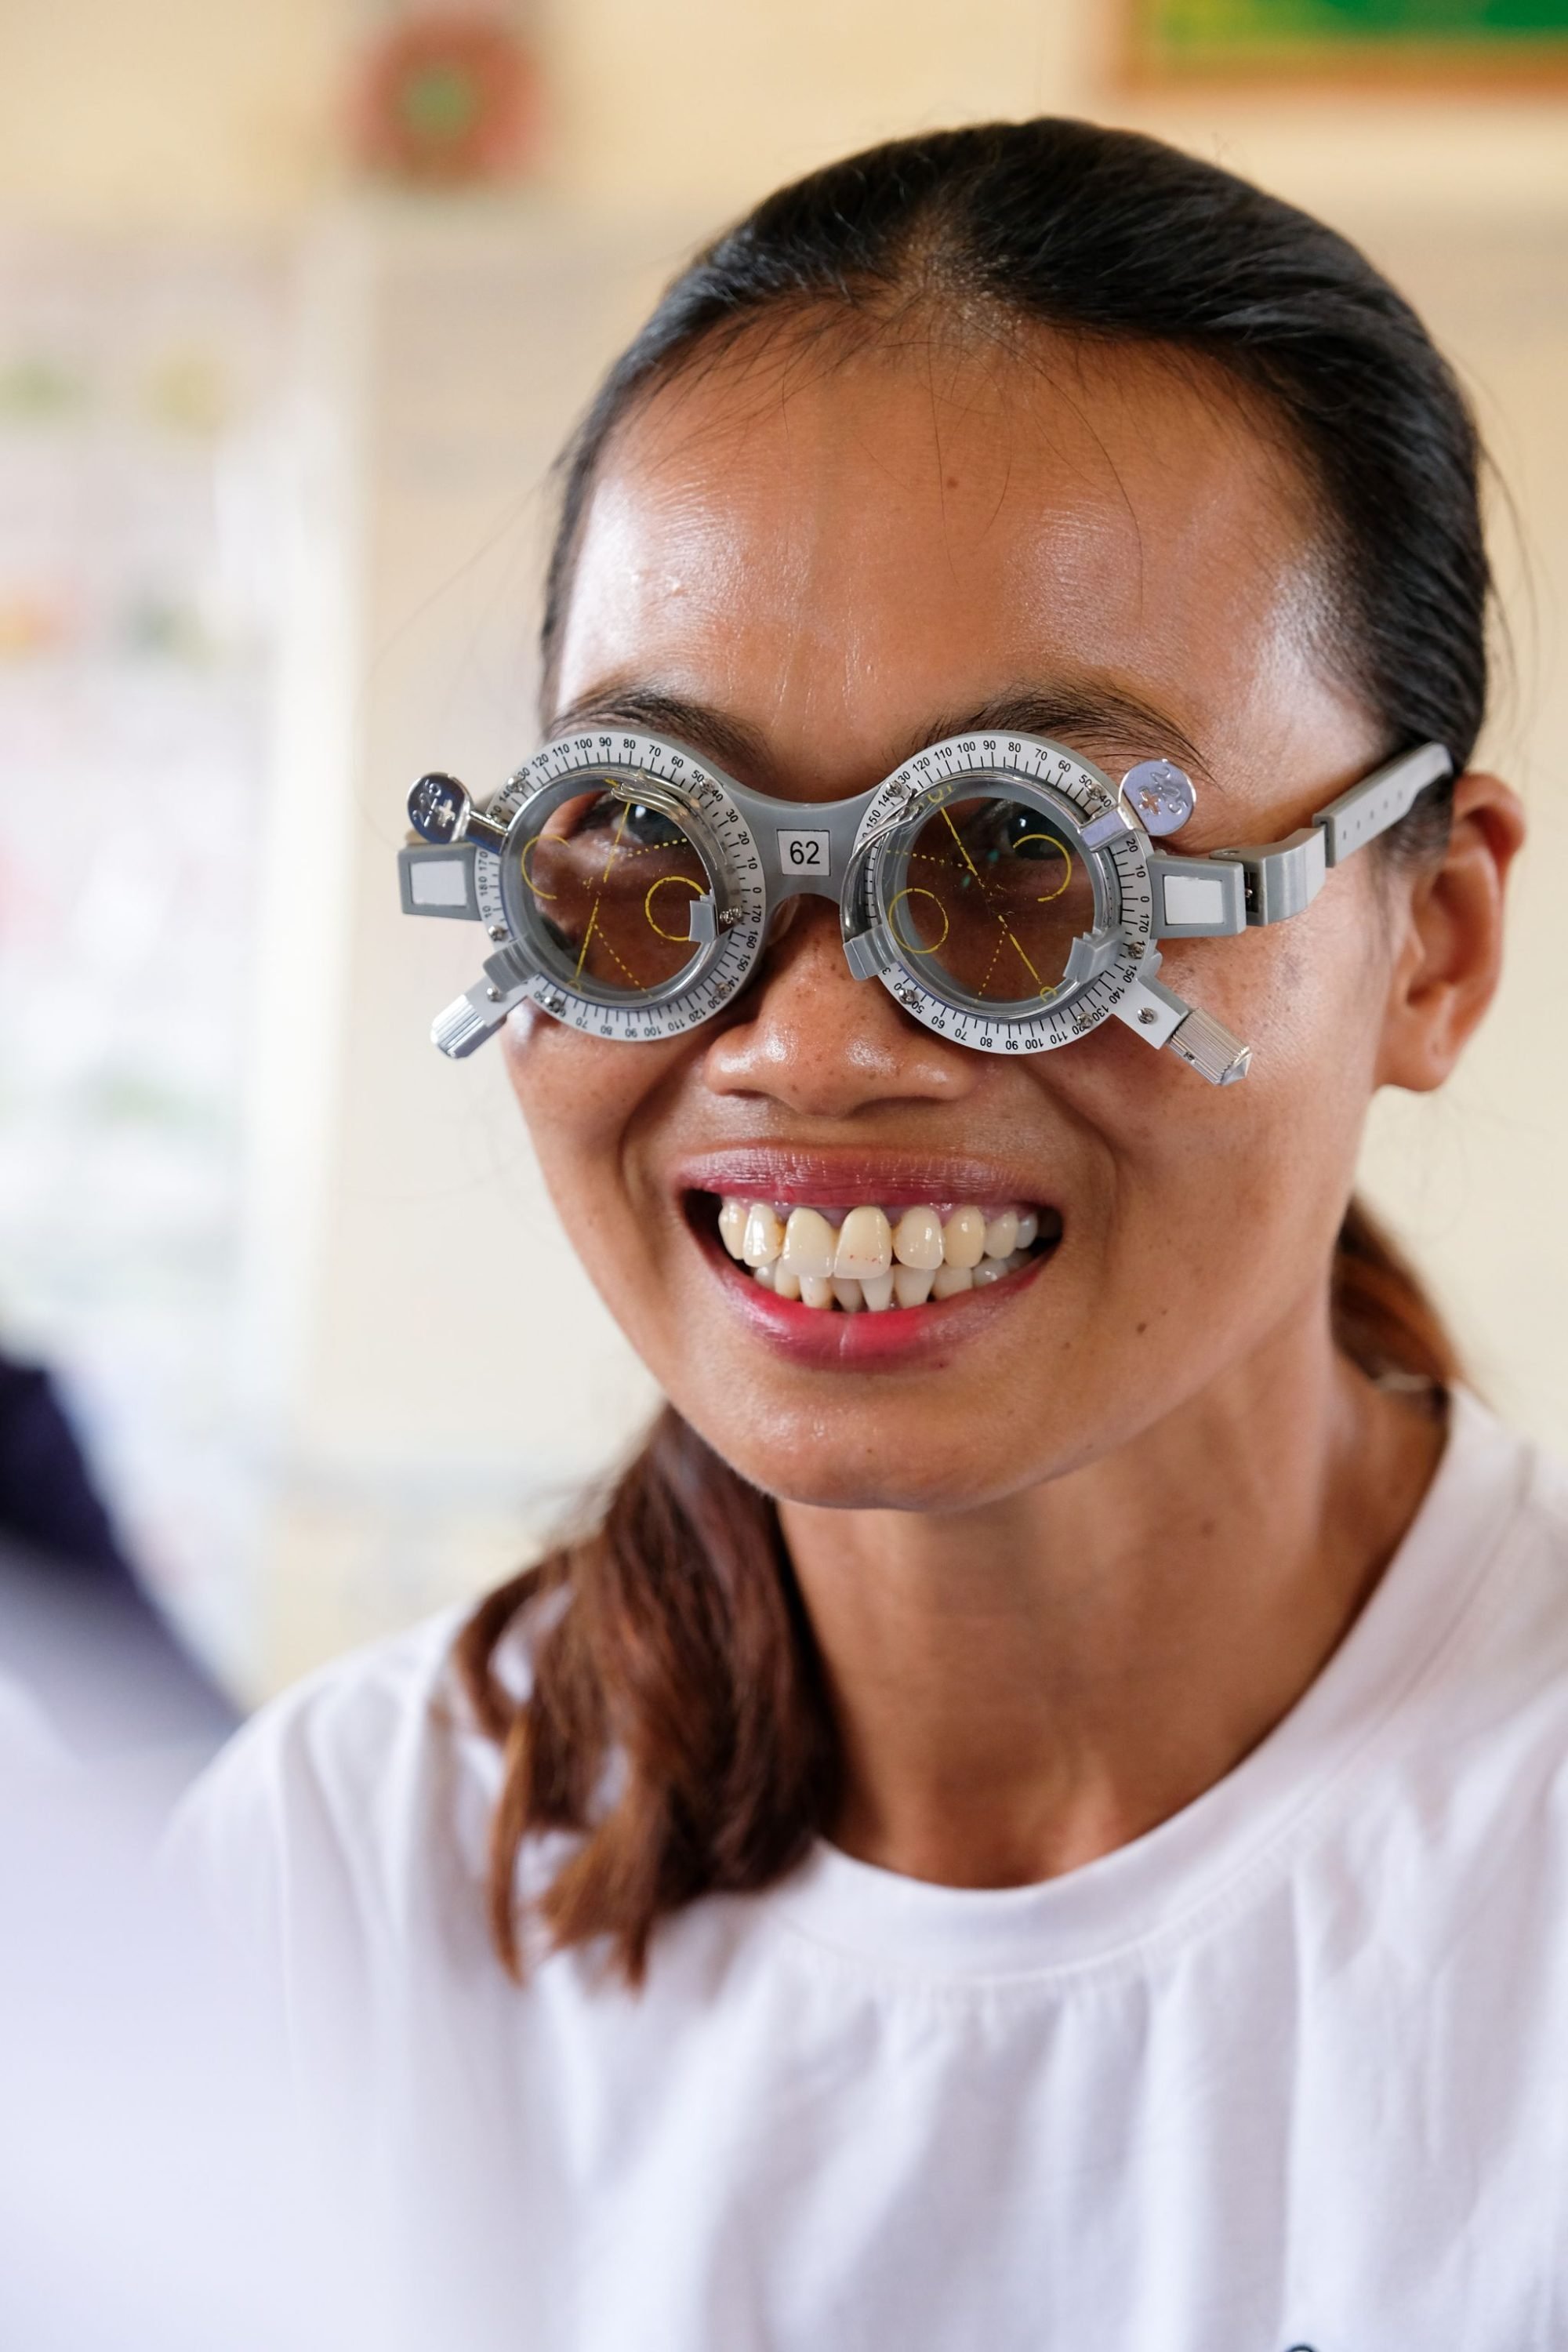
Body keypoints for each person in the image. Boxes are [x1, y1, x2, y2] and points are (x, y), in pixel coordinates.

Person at [177, 121, 1566, 2348]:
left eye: (1027, 870)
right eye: (648, 852)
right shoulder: (344, 1891)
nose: (808, 1051)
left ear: (1433, 942)